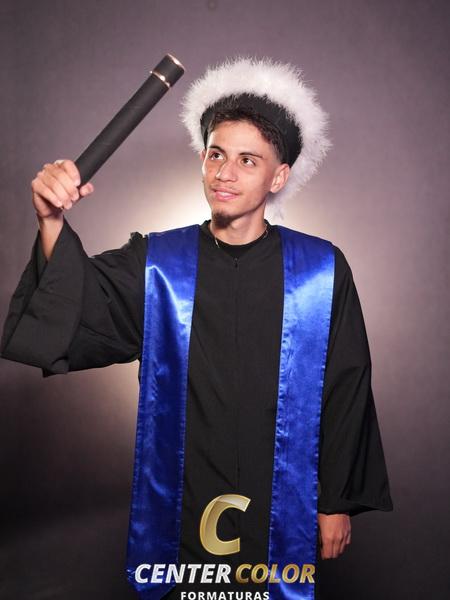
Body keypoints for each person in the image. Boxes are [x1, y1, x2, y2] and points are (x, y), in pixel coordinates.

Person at [0, 58, 393, 600]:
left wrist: (335, 503)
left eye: (248, 160)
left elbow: (345, 387)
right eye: (216, 154)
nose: (225, 173)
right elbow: (79, 303)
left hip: (281, 494)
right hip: (184, 493)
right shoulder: (159, 263)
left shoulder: (319, 270)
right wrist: (50, 220)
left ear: (278, 176)